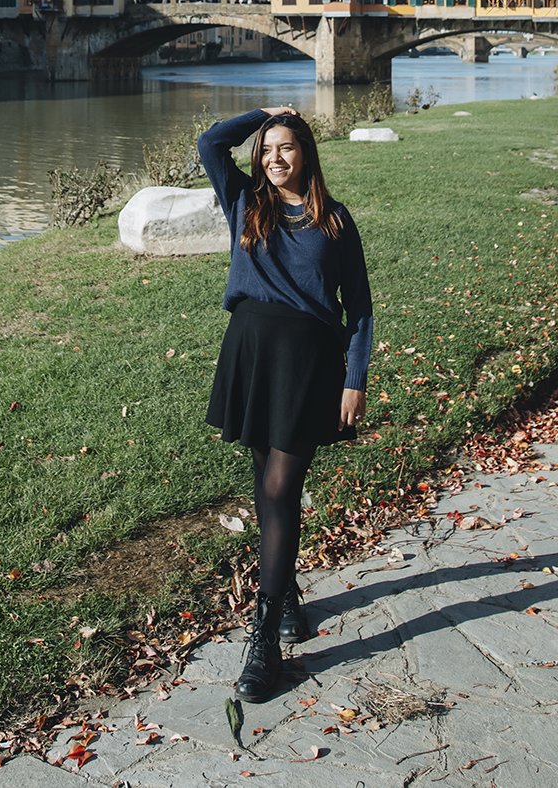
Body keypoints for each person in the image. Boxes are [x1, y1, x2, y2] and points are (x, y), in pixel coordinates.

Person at [197, 105, 373, 702]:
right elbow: (210, 143)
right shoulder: (246, 203)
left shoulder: (335, 221)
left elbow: (360, 308)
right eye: (268, 148)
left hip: (308, 367)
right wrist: (264, 114)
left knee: (279, 487)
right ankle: (289, 591)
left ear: (307, 153)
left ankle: (265, 634)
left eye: (288, 147)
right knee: (263, 479)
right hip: (250, 356)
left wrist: (355, 377)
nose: (276, 158)